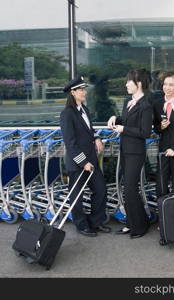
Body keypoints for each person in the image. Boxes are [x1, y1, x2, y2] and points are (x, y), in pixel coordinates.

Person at [60, 75, 111, 237]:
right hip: (78, 163)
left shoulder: (85, 110)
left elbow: (89, 130)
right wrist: (83, 163)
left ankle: (96, 221)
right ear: (73, 92)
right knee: (77, 196)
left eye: (84, 89)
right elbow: (70, 143)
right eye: (81, 90)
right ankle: (81, 225)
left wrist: (96, 138)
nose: (84, 92)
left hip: (91, 159)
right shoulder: (67, 114)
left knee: (101, 190)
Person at [107, 69, 153, 239]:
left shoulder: (146, 105)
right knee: (128, 188)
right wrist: (116, 118)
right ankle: (132, 223)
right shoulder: (128, 100)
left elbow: (145, 132)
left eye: (129, 81)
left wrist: (124, 129)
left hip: (136, 152)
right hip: (125, 149)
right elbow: (126, 120)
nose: (126, 84)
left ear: (139, 83)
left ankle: (140, 226)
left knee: (131, 189)